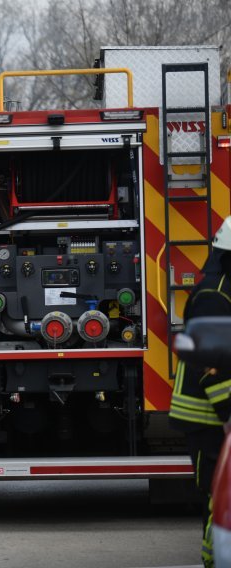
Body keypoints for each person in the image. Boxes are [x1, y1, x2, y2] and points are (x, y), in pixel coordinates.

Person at [170, 216, 231, 568]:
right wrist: (228, 414)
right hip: (209, 421)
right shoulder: (213, 296)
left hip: (216, 418)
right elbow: (212, 365)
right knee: (218, 498)